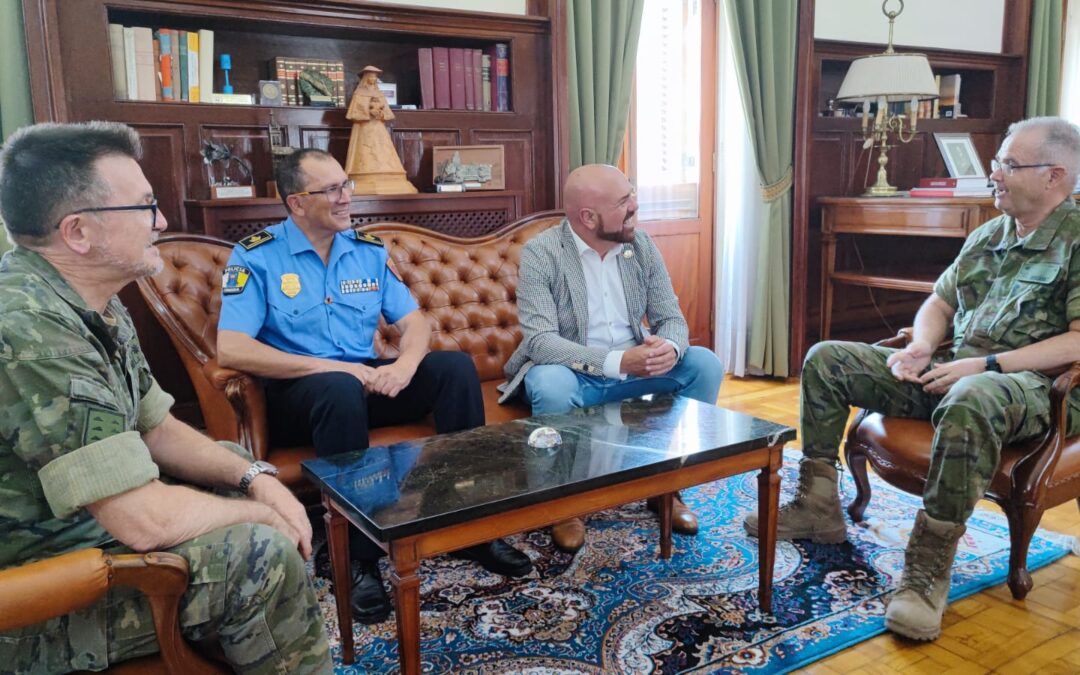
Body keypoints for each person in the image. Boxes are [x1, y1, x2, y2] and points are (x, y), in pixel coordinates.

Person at [0, 121, 332, 674]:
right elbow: (143, 520)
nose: (161, 221)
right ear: (79, 232)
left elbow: (157, 426)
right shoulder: (29, 331)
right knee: (258, 553)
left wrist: (255, 478)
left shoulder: (91, 299)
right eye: (144, 207)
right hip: (39, 589)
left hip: (88, 536)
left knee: (231, 460)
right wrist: (260, 516)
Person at [744, 116, 1080, 641]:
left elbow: (1077, 342)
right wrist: (923, 345)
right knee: (827, 358)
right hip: (954, 370)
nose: (995, 174)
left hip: (1030, 387)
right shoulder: (990, 234)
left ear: (1054, 176)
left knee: (972, 396)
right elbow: (940, 302)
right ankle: (818, 505)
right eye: (996, 163)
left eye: (1009, 165)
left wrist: (984, 366)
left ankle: (926, 574)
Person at [216, 147, 533, 625]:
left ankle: (467, 523)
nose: (347, 198)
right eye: (333, 190)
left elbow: (414, 323)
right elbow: (232, 350)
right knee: (338, 388)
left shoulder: (366, 251)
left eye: (347, 186)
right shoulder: (256, 256)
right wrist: (328, 369)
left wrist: (404, 366)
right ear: (297, 203)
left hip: (364, 379)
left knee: (454, 369)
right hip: (296, 393)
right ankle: (358, 557)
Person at [500, 163, 725, 553]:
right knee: (549, 382)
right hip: (576, 373)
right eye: (624, 201)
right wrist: (620, 362)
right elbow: (541, 343)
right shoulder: (542, 253)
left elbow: (671, 317)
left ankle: (667, 488)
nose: (635, 206)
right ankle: (565, 504)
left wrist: (668, 348)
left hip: (636, 370)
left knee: (704, 364)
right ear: (588, 217)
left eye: (632, 193)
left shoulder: (641, 246)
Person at [343, 65, 416, 194]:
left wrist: (380, 114)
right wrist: (368, 112)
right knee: (365, 150)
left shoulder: (379, 93)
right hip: (365, 128)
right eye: (370, 76)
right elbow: (354, 113)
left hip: (378, 127)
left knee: (383, 148)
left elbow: (388, 113)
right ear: (365, 78)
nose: (373, 78)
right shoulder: (359, 93)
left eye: (375, 76)